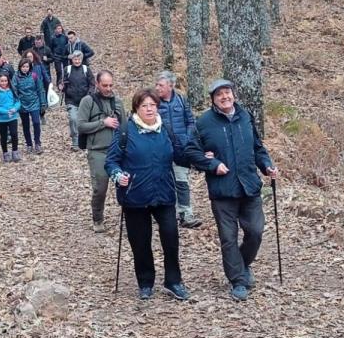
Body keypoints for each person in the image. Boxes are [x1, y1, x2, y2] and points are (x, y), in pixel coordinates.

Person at [184, 79, 279, 301]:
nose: (225, 97)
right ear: (213, 100)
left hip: (249, 186)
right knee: (228, 238)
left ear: (233, 95)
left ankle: (242, 264)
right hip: (222, 190)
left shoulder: (245, 116)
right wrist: (212, 164)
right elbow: (191, 152)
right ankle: (238, 281)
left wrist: (267, 166)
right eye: (219, 95)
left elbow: (257, 147)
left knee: (255, 231)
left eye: (227, 93)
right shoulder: (204, 123)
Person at [106, 89, 191, 301]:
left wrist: (202, 156)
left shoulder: (166, 130)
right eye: (144, 105)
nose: (149, 109)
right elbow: (111, 161)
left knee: (171, 237)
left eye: (152, 105)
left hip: (164, 193)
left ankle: (173, 281)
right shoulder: (126, 131)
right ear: (136, 108)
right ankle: (145, 282)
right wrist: (118, 175)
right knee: (140, 241)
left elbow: (181, 155)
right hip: (135, 196)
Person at [76, 70, 125, 232]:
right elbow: (81, 125)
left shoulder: (117, 102)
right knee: (100, 188)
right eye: (105, 85)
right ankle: (97, 219)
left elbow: (125, 126)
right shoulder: (87, 101)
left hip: (118, 151)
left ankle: (132, 217)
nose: (108, 88)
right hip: (97, 151)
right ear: (97, 84)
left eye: (111, 85)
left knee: (125, 185)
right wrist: (103, 123)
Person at [154, 71, 201, 229]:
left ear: (171, 85)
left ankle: (186, 214)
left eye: (161, 85)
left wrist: (187, 138)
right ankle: (166, 213)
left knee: (182, 181)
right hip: (162, 150)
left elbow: (191, 121)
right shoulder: (153, 102)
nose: (157, 88)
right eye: (157, 85)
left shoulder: (181, 100)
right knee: (163, 182)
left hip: (181, 150)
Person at [58, 50, 94, 150]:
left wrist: (89, 95)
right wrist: (61, 86)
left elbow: (92, 84)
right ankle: (75, 142)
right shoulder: (67, 69)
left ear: (82, 59)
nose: (77, 61)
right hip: (71, 100)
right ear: (72, 60)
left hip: (85, 100)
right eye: (75, 59)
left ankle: (85, 140)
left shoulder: (86, 69)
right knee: (73, 119)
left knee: (85, 121)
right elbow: (62, 81)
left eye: (79, 59)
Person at [13, 58, 46, 154]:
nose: (25, 68)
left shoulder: (34, 76)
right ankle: (29, 144)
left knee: (36, 122)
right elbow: (14, 90)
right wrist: (16, 102)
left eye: (27, 67)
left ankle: (37, 143)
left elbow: (40, 89)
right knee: (26, 125)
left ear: (30, 67)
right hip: (22, 104)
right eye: (23, 67)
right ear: (20, 67)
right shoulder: (16, 77)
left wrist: (42, 103)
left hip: (34, 102)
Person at [0, 74, 22, 163]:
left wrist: (15, 108)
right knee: (3, 136)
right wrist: (6, 111)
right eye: (2, 81)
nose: (4, 83)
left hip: (13, 116)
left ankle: (15, 151)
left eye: (5, 81)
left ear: (8, 81)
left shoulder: (12, 90)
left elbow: (18, 102)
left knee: (14, 134)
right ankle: (5, 153)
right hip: (1, 119)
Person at [25, 49, 52, 125]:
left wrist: (49, 83)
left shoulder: (39, 64)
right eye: (28, 57)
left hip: (40, 86)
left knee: (42, 103)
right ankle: (34, 117)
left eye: (30, 56)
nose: (29, 58)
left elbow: (44, 73)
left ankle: (42, 115)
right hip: (29, 88)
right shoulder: (24, 66)